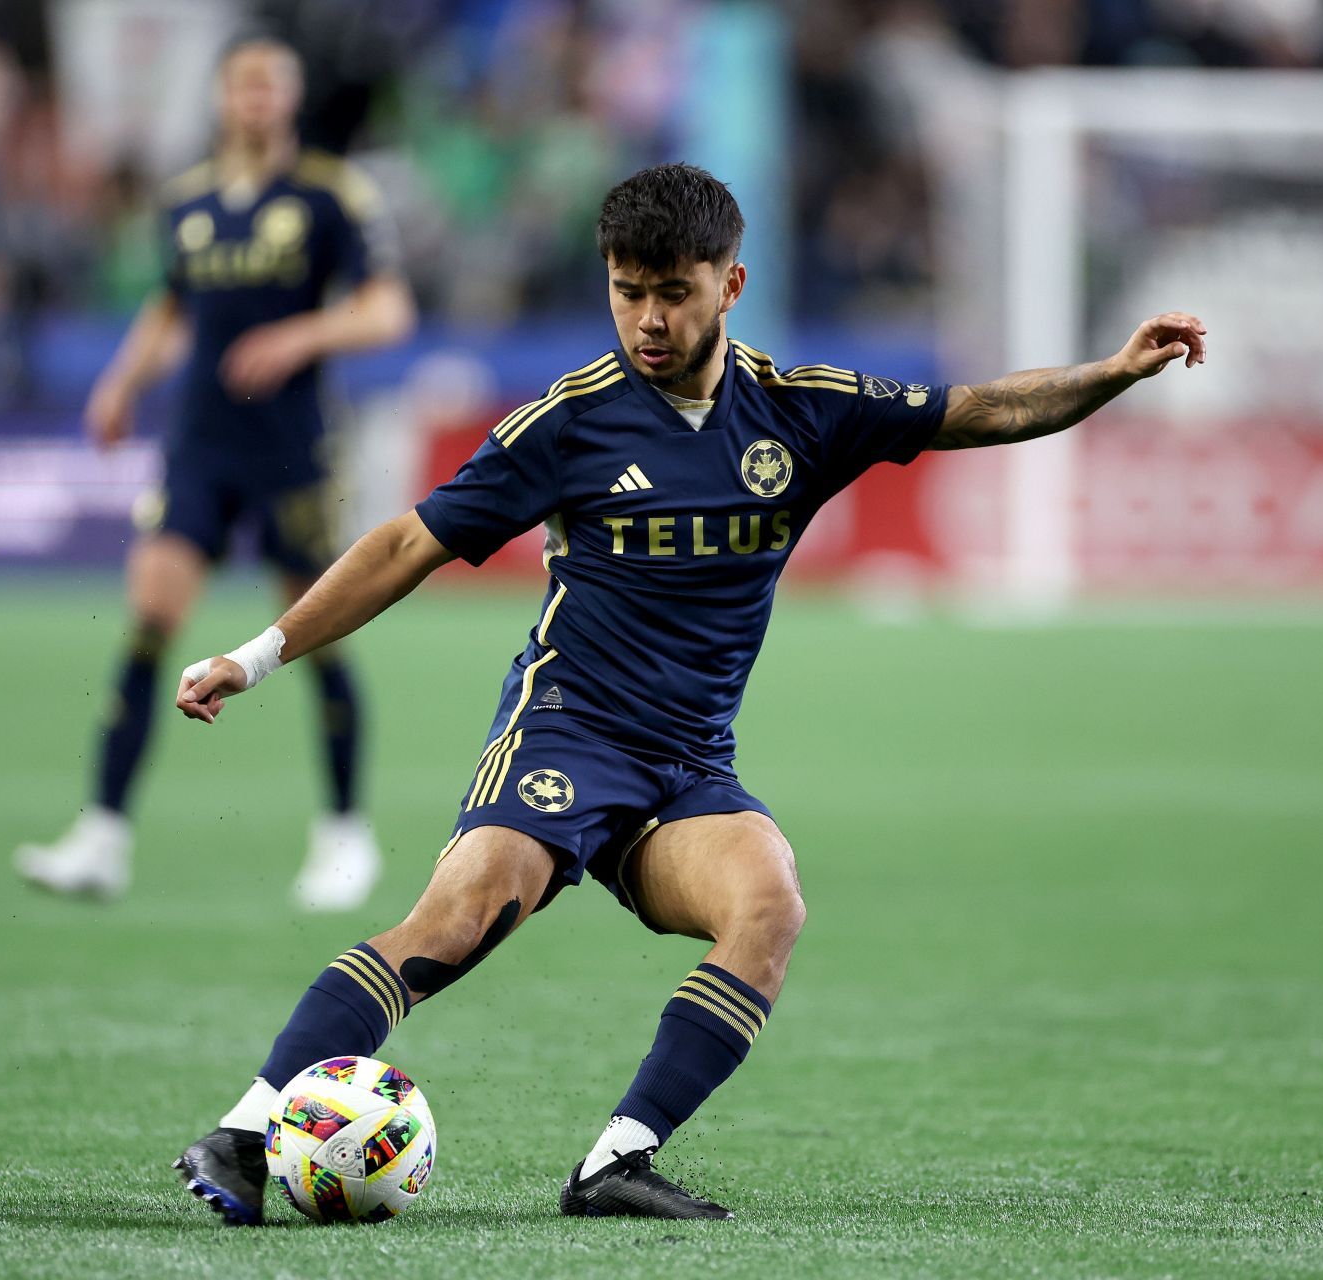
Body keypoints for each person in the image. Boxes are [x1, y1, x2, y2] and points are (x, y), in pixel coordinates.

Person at [169, 163, 1205, 1222]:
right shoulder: (568, 423)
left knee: (770, 902)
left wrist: (1114, 370)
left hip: (687, 765)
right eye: (628, 290)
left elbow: (980, 409)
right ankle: (247, 1131)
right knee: (461, 912)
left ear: (730, 283)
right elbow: (403, 544)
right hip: (566, 732)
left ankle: (616, 1159)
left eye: (674, 290)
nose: (649, 318)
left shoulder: (803, 413)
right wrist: (252, 657)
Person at [15, 35, 415, 910]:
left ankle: (346, 834)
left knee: (315, 634)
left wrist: (300, 335)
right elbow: (169, 310)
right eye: (244, 83)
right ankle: (103, 834)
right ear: (223, 97)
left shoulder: (329, 193)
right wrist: (120, 384)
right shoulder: (188, 201)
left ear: (293, 96)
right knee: (152, 615)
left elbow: (388, 311)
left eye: (272, 82)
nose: (257, 97)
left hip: (292, 449)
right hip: (198, 441)